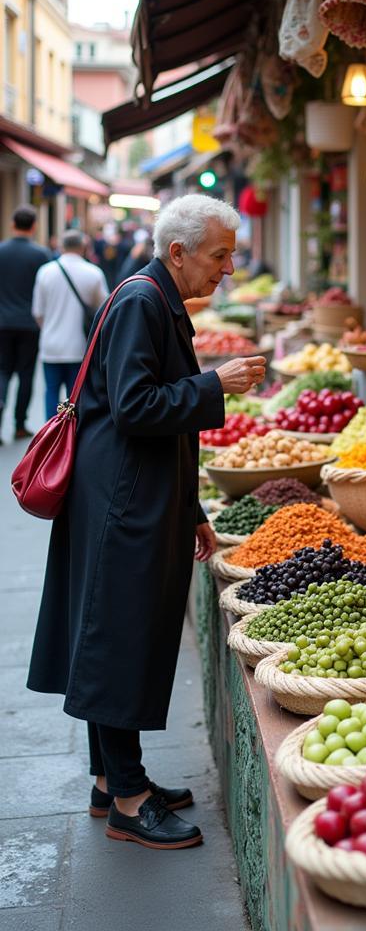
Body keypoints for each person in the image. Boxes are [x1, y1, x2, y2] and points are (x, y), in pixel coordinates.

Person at [27, 194, 266, 850]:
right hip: (121, 496)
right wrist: (216, 384)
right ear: (179, 252)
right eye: (220, 255)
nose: (227, 268)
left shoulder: (156, 297)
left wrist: (189, 509)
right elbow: (135, 407)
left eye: (231, 255)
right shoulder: (142, 300)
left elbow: (153, 414)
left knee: (112, 632)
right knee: (116, 639)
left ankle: (111, 782)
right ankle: (130, 801)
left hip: (131, 488)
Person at [32, 229, 109, 418]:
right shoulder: (93, 273)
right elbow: (105, 310)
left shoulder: (45, 272)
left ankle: (50, 435)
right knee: (75, 397)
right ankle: (72, 437)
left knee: (51, 391)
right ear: (83, 247)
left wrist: (48, 328)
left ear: (61, 247)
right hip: (80, 346)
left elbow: (37, 312)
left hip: (50, 344)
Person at [0, 205, 52, 441]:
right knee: (26, 374)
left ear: (13, 224)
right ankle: (20, 424)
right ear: (34, 226)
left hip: (2, 322)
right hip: (30, 324)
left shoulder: (1, 251)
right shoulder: (40, 255)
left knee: (2, 372)